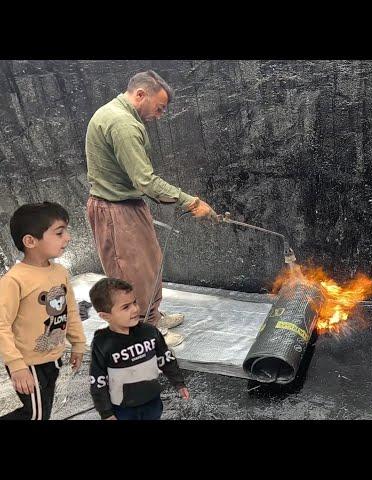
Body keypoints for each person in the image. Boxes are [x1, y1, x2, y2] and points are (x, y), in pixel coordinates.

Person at [85, 70, 219, 347]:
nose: (160, 115)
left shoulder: (123, 116)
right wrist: (190, 201)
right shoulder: (122, 124)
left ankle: (151, 315)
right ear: (140, 95)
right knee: (130, 273)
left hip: (128, 204)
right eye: (159, 108)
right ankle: (142, 329)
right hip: (114, 210)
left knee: (150, 263)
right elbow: (146, 181)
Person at [0, 202, 86, 420]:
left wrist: (78, 343)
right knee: (35, 415)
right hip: (28, 364)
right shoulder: (15, 280)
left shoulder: (60, 272)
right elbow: (2, 324)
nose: (67, 238)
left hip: (51, 358)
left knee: (42, 412)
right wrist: (17, 365)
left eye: (66, 231)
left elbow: (71, 311)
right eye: (59, 232)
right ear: (30, 241)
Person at [88, 277, 189, 420]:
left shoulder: (149, 332)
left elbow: (166, 358)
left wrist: (179, 383)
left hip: (152, 401)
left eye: (134, 302)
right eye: (125, 307)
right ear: (105, 316)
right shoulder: (102, 343)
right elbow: (98, 380)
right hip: (122, 408)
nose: (135, 309)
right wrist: (106, 413)